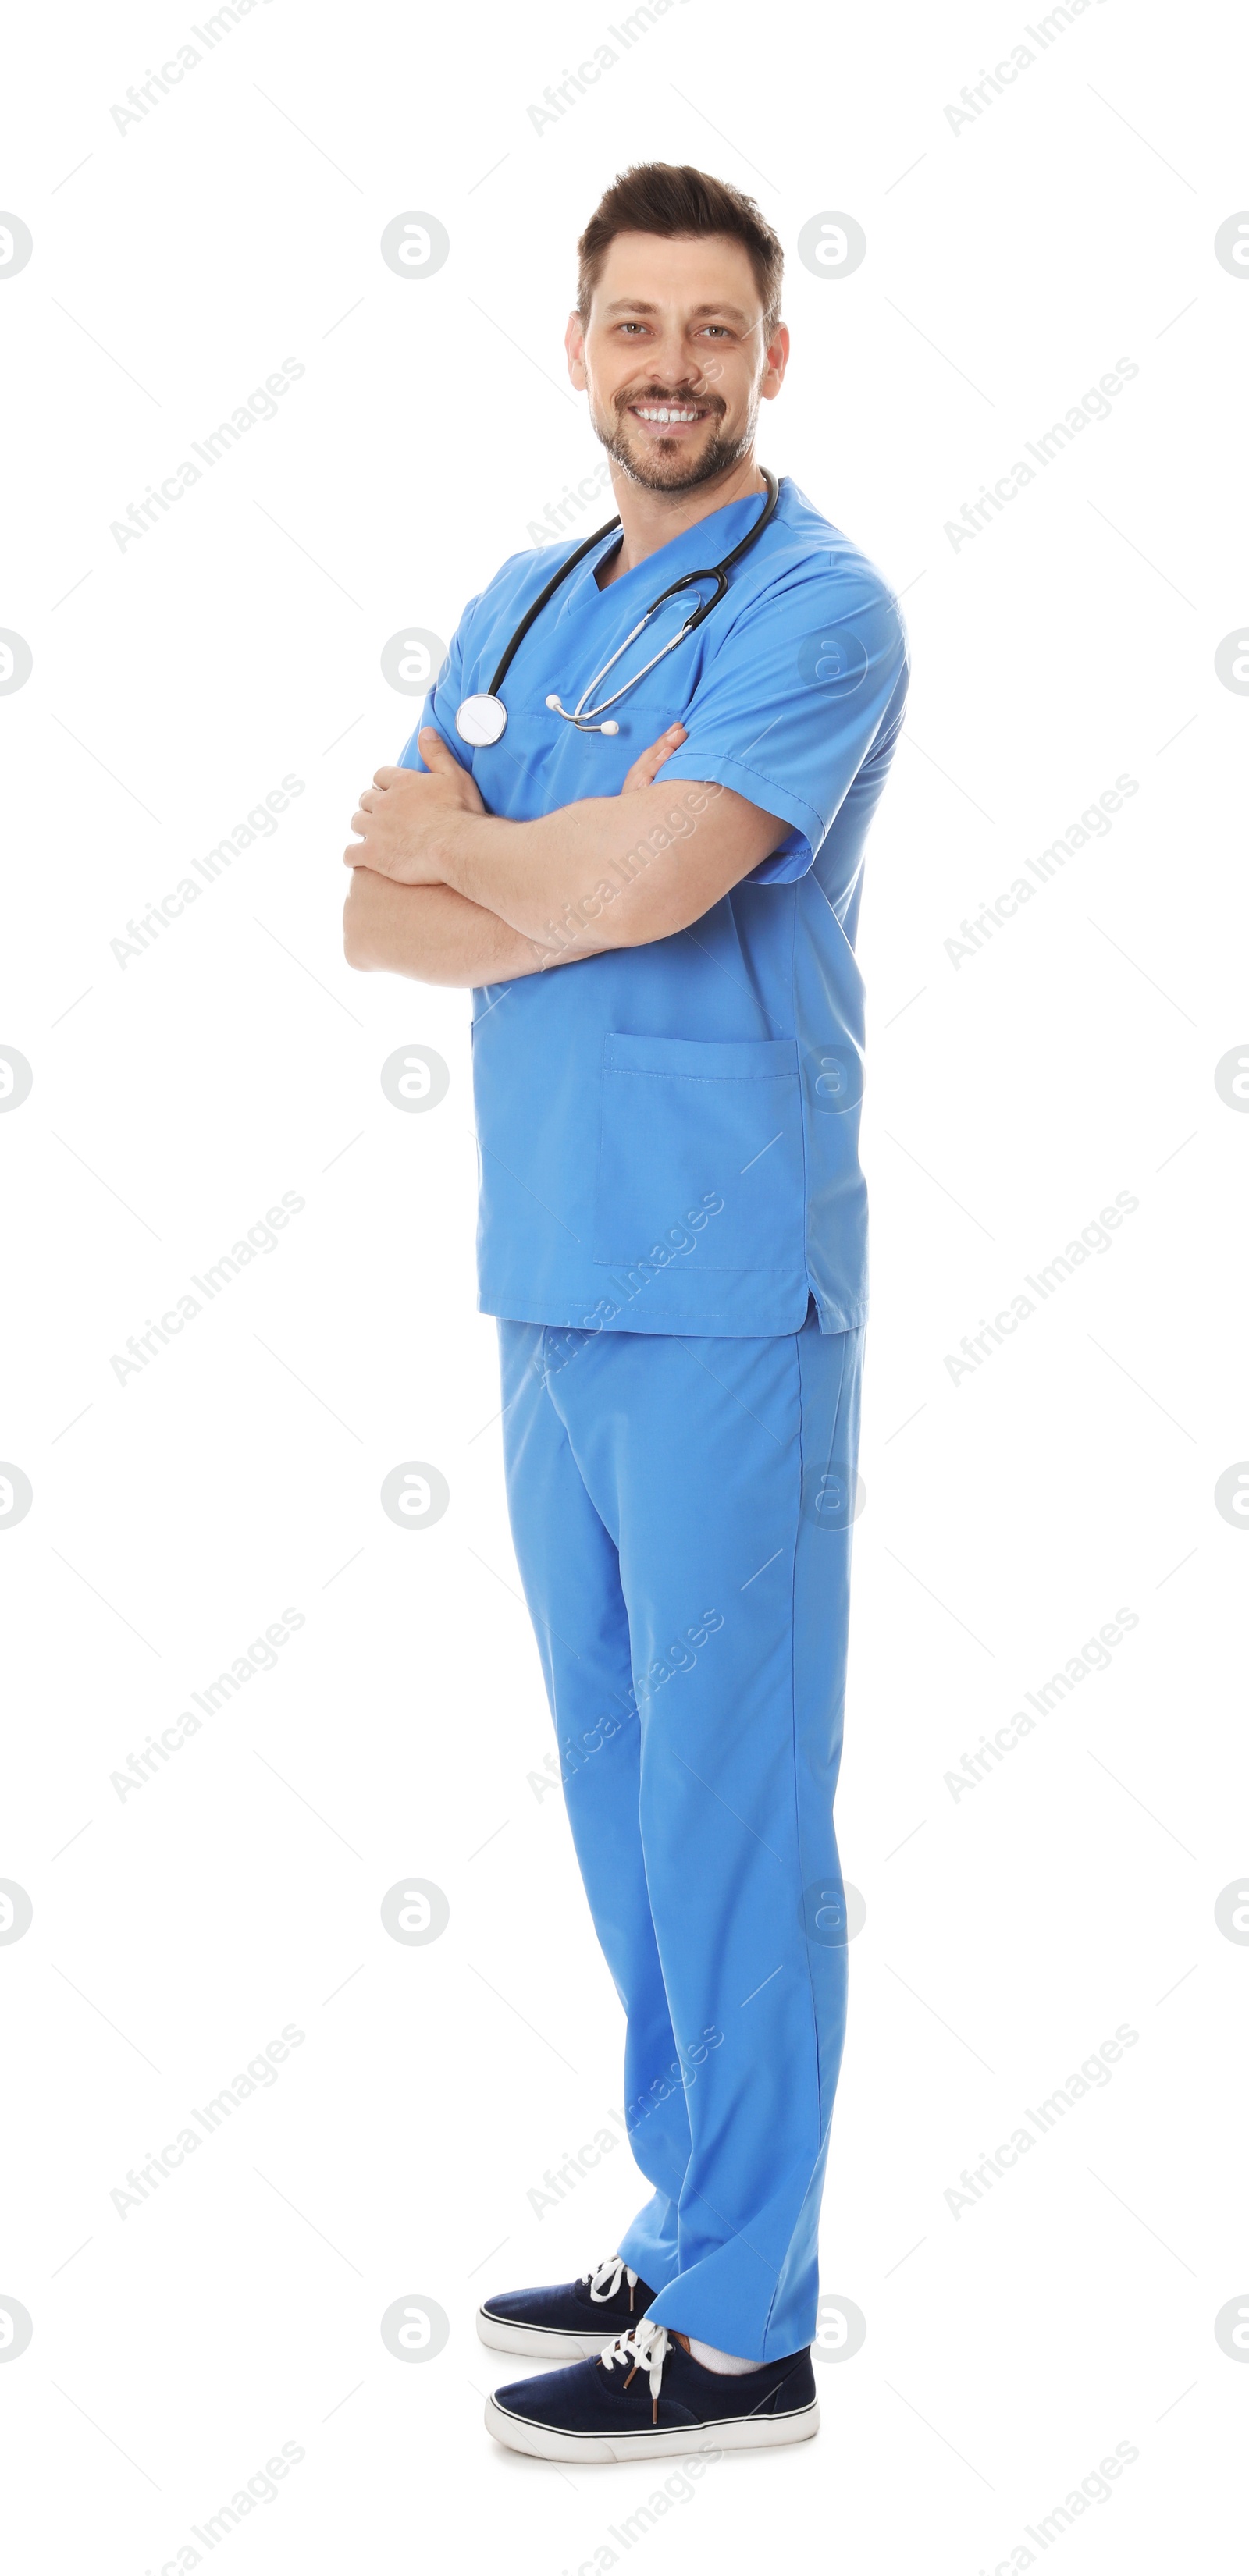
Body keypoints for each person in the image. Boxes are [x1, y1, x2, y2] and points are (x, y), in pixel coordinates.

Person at [343, 161, 909, 2464]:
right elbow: (381, 915)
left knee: (735, 1803)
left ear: (772, 354)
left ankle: (752, 2322)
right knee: (612, 1786)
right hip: (548, 1278)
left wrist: (501, 848)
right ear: (578, 349)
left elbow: (664, 877)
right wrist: (516, 865)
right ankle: (685, 2220)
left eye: (713, 327)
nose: (669, 365)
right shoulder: (526, 588)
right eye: (629, 326)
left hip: (723, 1287)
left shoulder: (823, 611)